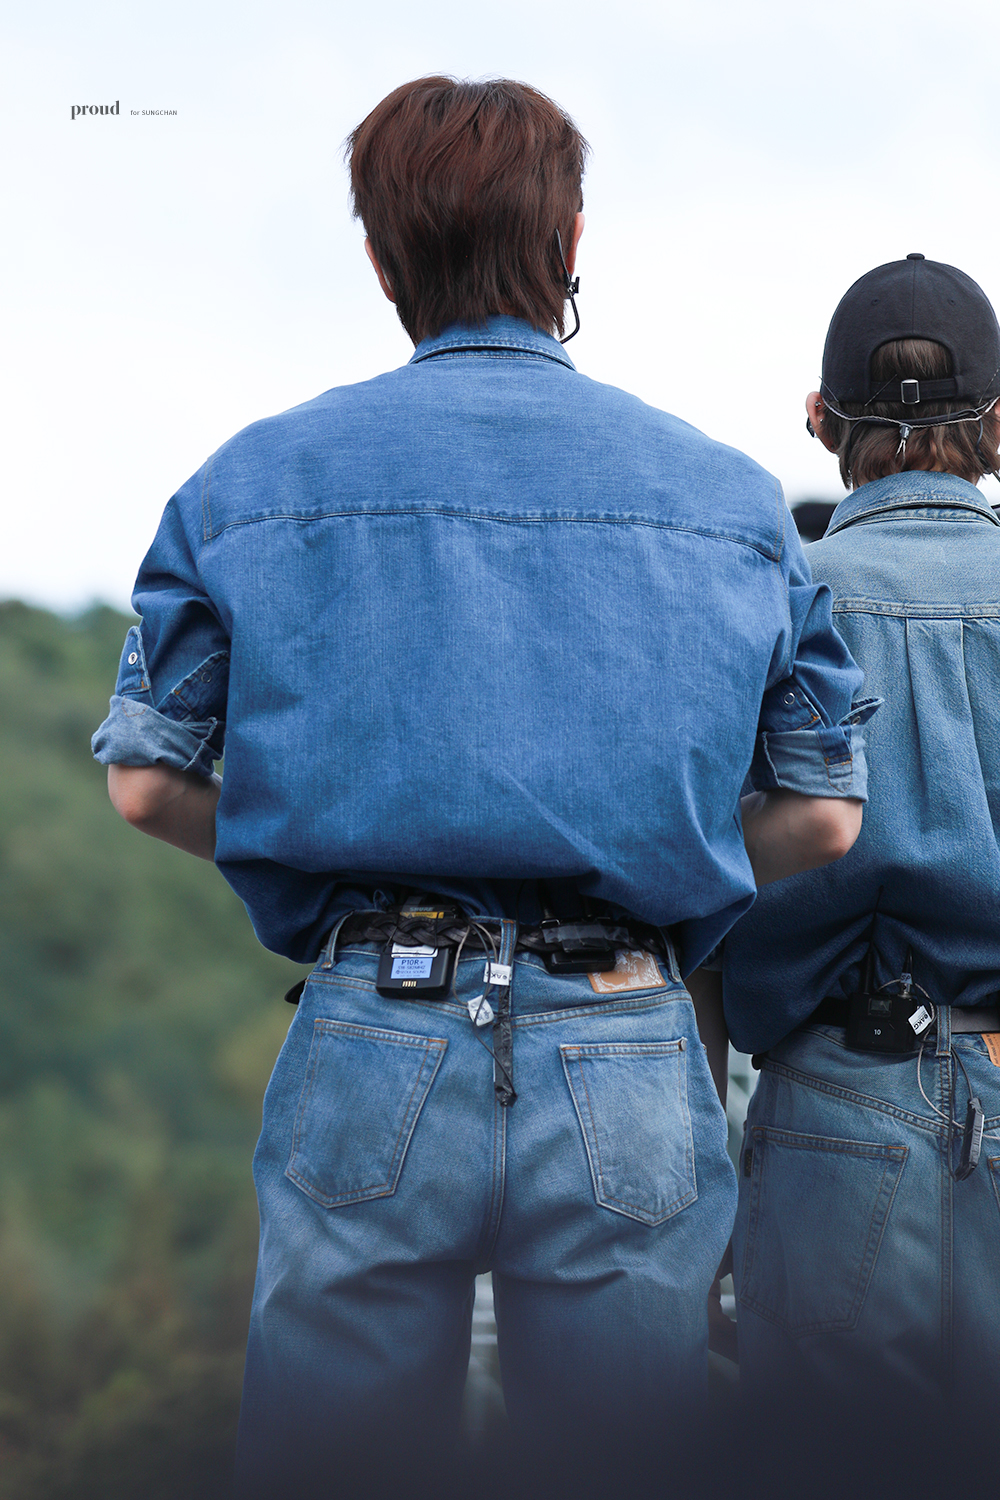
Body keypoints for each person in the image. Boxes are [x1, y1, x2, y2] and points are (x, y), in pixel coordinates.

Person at [92, 76, 867, 1498]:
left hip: (368, 1034)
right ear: (573, 243)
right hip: (627, 1051)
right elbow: (825, 813)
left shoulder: (247, 483)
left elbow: (145, 786)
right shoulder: (730, 501)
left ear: (383, 259)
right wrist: (671, 848)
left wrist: (297, 836)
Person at [722, 254, 1000, 1458]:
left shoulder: (772, 602)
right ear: (999, 425)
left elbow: (699, 867)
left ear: (821, 422)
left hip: (829, 1092)